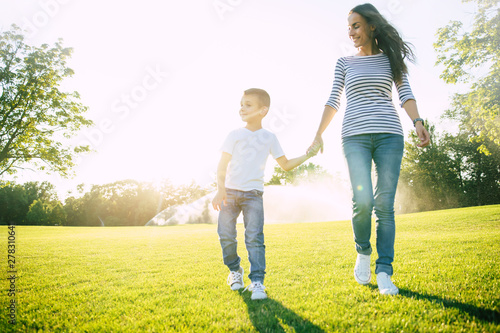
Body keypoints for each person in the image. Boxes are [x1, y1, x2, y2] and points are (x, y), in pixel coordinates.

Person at [309, 3, 430, 295]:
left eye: (356, 25)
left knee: (384, 205)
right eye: (349, 27)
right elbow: (333, 99)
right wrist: (318, 134)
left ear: (372, 26)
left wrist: (417, 121)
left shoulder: (390, 60)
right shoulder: (344, 63)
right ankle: (363, 251)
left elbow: (405, 93)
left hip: (390, 135)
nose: (350, 32)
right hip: (354, 137)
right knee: (362, 202)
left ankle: (385, 271)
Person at [212, 88, 320, 300]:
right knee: (226, 234)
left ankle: (257, 282)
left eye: (248, 104)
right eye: (241, 104)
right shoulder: (234, 134)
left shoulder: (269, 137)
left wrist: (308, 155)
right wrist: (220, 189)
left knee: (254, 238)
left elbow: (286, 165)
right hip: (230, 194)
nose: (242, 108)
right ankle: (235, 271)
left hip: (254, 195)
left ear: (263, 110)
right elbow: (222, 164)